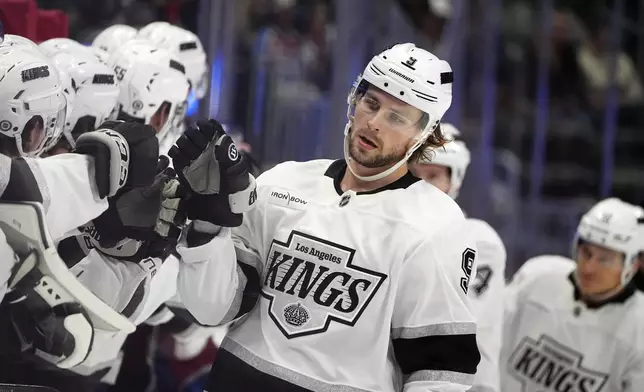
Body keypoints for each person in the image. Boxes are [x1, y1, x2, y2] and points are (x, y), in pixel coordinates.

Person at [169, 43, 481, 391]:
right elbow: (211, 310)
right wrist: (208, 228)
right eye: (371, 103)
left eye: (396, 117)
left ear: (423, 134)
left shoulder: (436, 226)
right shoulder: (282, 183)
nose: (374, 123)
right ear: (354, 100)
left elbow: (439, 373)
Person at [501, 198, 644, 391]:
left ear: (633, 264)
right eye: (586, 252)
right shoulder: (538, 278)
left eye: (605, 259)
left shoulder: (638, 329)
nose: (589, 267)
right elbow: (485, 337)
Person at [409, 123, 506, 392]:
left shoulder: (480, 242)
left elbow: (450, 326)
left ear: (455, 180)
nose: (421, 187)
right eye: (414, 174)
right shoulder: (385, 229)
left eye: (433, 176)